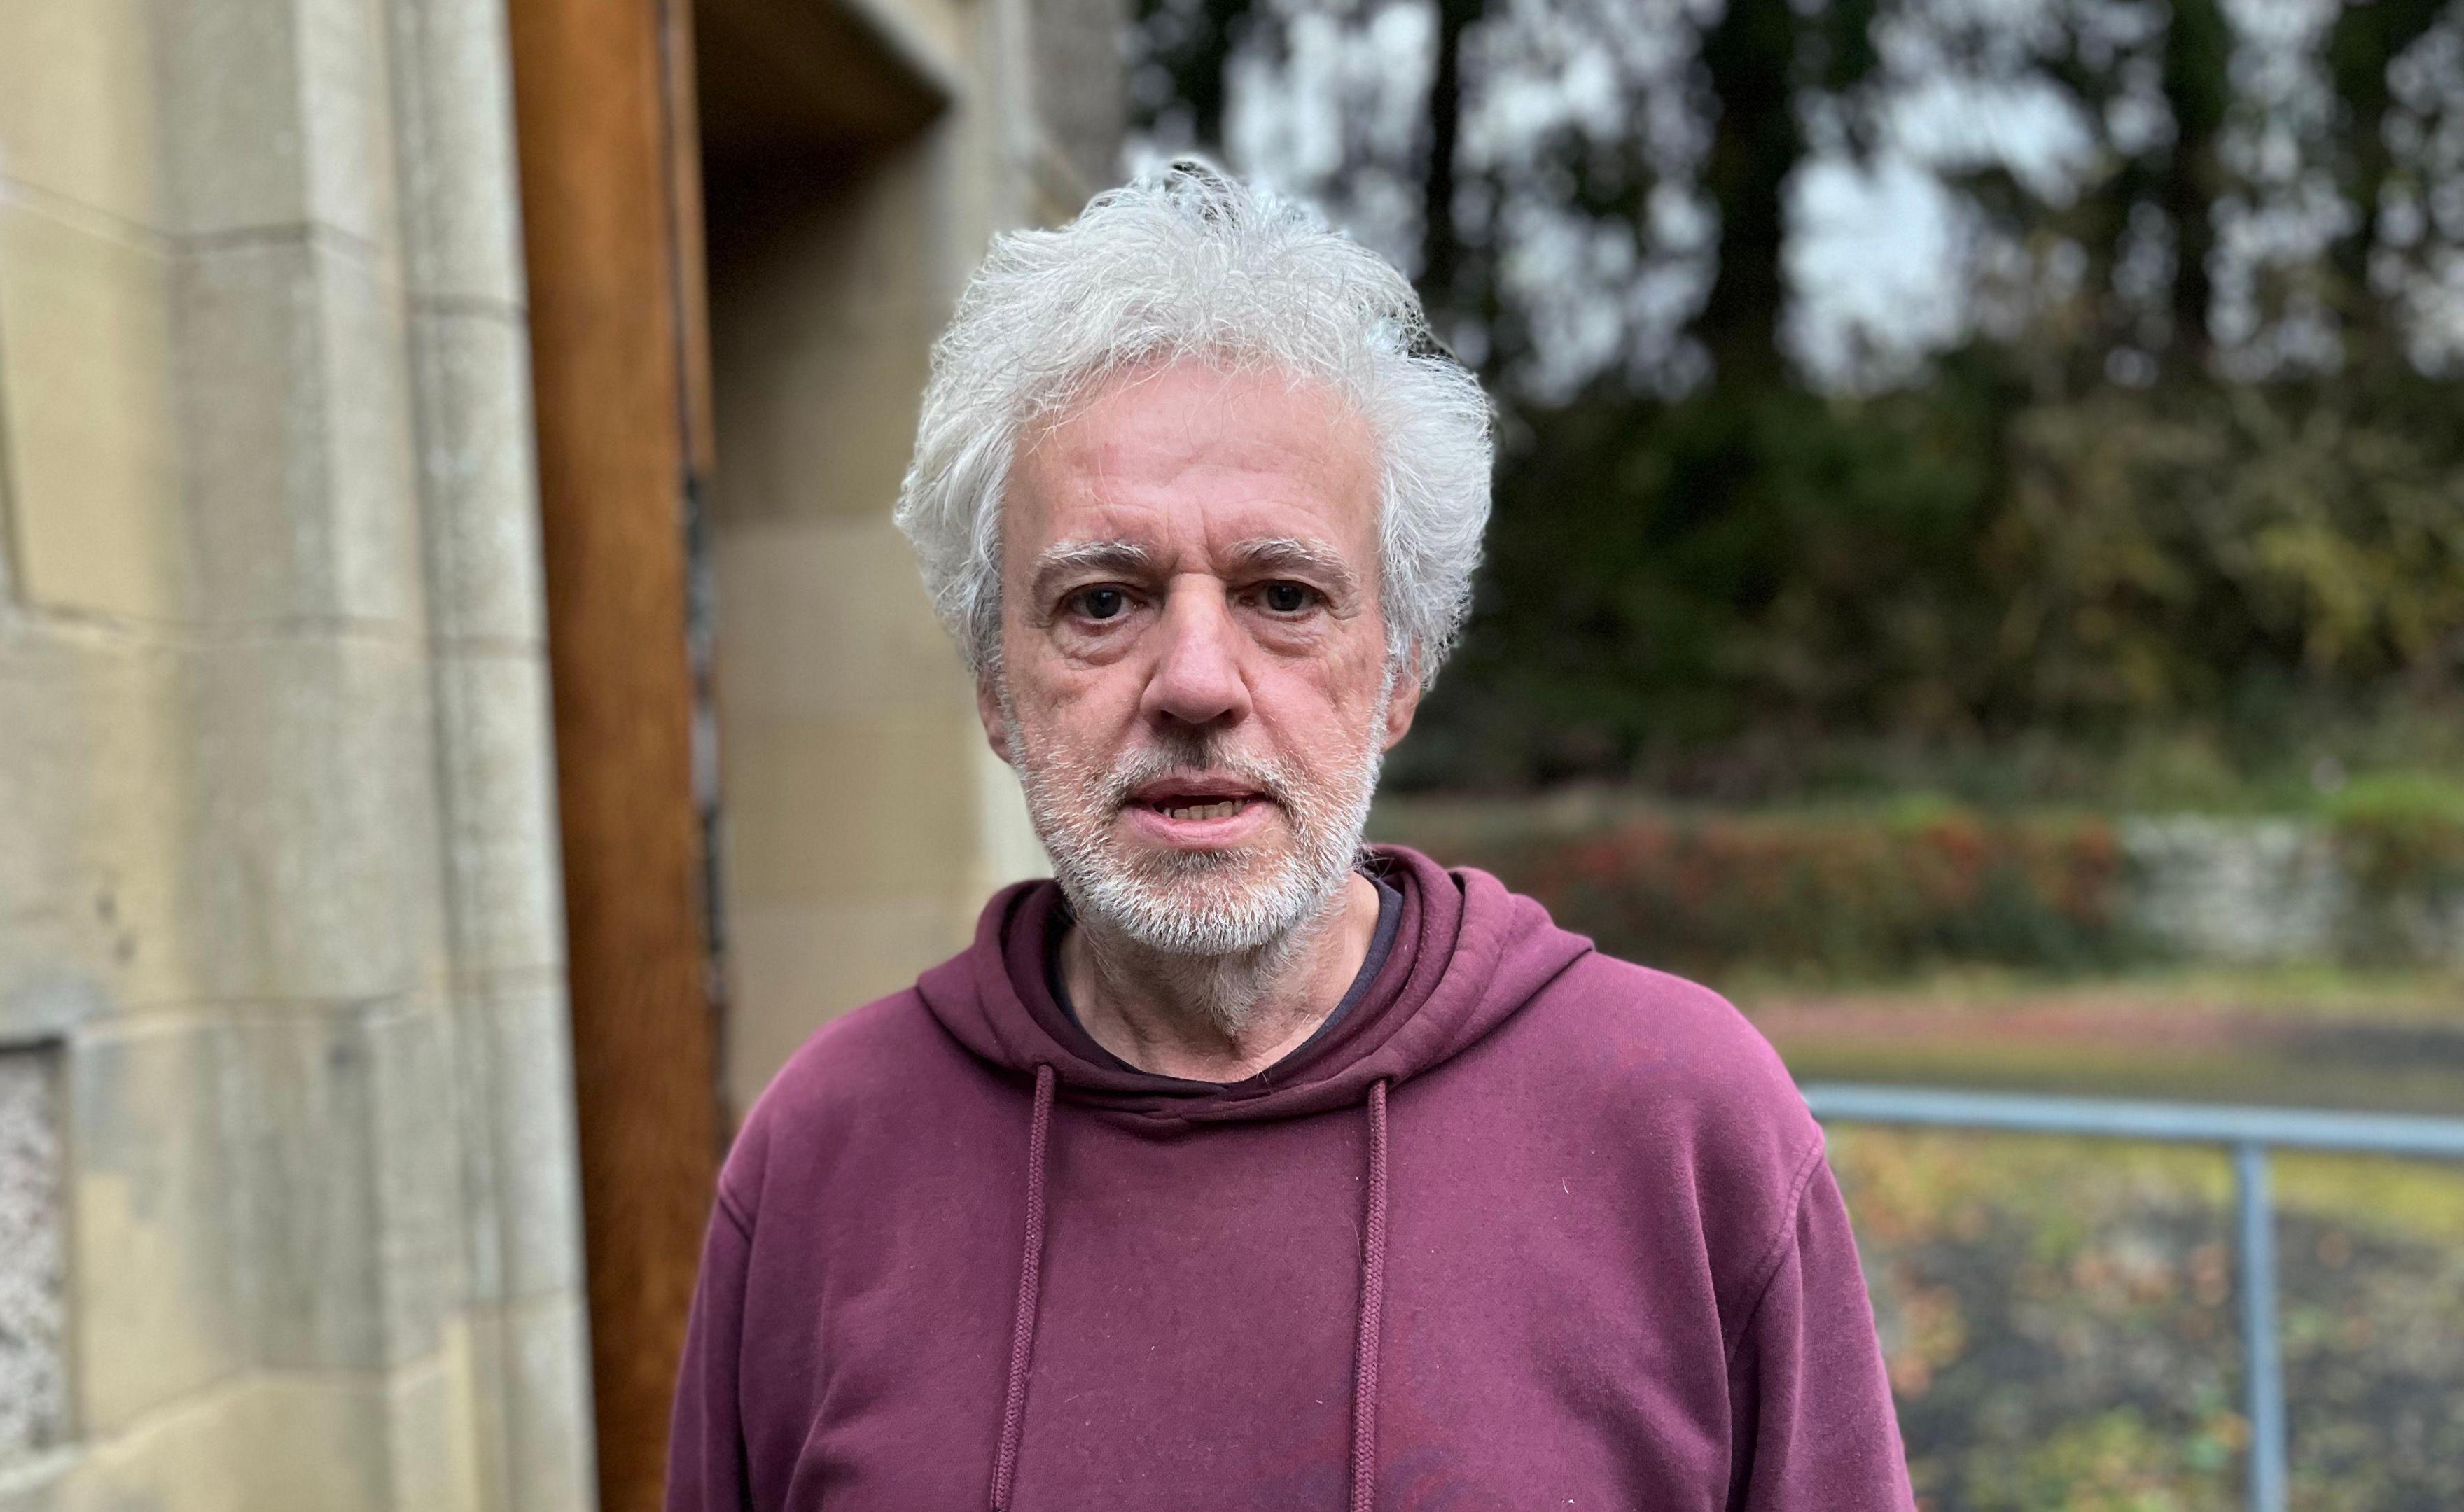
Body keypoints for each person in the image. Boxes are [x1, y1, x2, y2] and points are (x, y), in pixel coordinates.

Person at [662, 162, 1913, 1512]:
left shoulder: (1680, 1121)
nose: (1196, 682)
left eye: (1282, 594)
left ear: (1400, 671)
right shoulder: (824, 1158)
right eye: (1102, 601)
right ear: (993, 690)